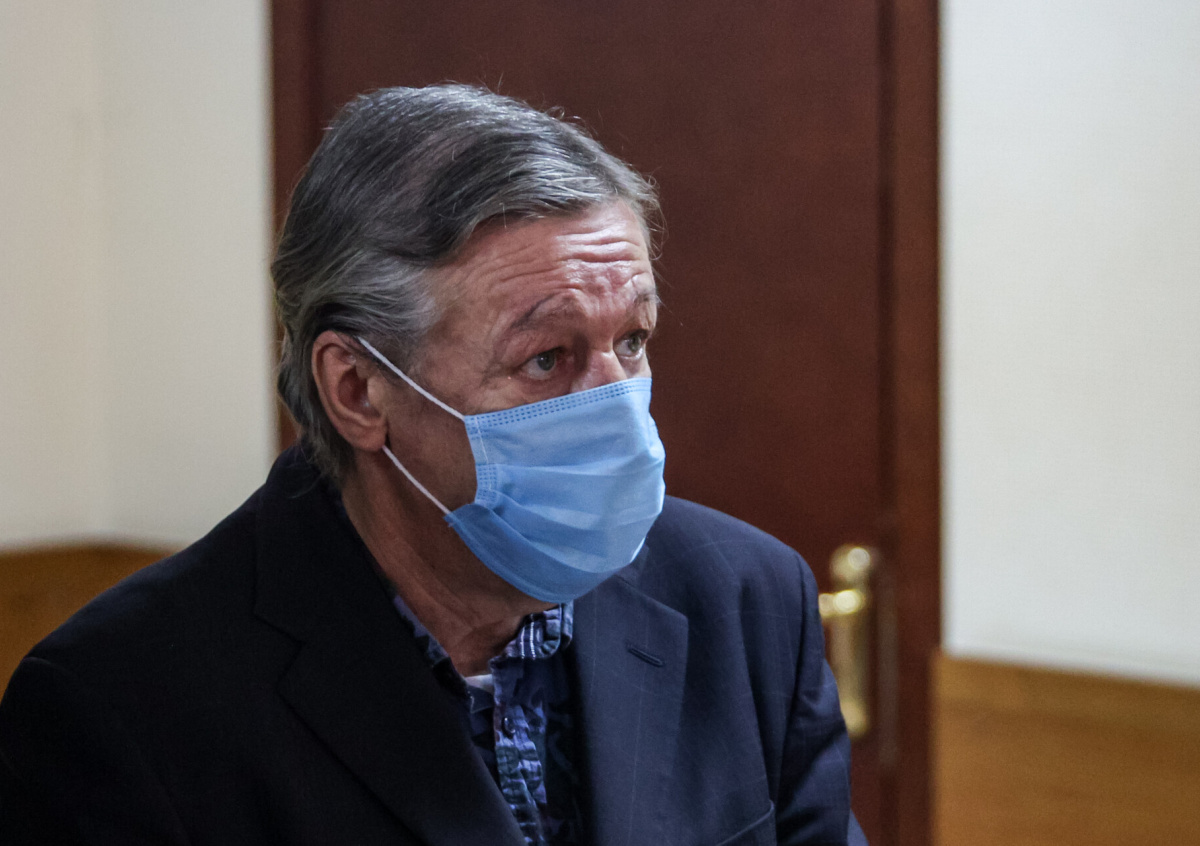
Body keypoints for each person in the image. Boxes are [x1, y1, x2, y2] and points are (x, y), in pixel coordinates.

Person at [0, 85, 865, 845]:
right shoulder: (124, 707)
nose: (616, 407)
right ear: (357, 390)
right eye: (546, 357)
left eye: (632, 341)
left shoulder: (744, 602)